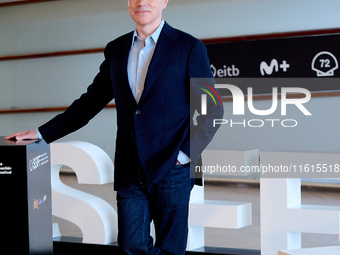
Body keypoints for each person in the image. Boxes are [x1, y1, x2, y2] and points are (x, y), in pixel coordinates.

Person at [6, 0, 224, 254]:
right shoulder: (117, 49)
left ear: (164, 1)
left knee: (171, 247)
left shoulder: (189, 46)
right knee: (131, 245)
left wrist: (183, 156)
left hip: (173, 168)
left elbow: (212, 109)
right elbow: (90, 103)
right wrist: (42, 132)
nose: (142, 2)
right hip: (130, 166)